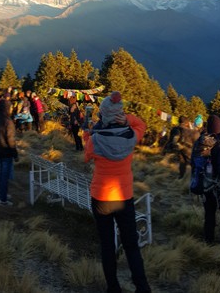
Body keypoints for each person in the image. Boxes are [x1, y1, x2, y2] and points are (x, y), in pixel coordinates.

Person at [83, 92, 152, 293]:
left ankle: (113, 288)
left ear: (103, 115)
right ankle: (142, 287)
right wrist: (127, 118)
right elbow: (142, 125)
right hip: (124, 197)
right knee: (131, 245)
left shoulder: (95, 139)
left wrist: (87, 135)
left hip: (101, 198)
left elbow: (86, 157)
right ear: (119, 115)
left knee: (107, 245)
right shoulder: (130, 135)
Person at [192, 117, 220, 245]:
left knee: (209, 214)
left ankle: (208, 240)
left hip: (205, 186)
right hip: (219, 188)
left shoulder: (200, 143)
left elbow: (193, 163)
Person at [0, 90, 18, 206]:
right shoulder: (8, 121)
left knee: (2, 172)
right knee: (5, 175)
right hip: (6, 150)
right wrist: (15, 154)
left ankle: (1, 193)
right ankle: (3, 199)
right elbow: (11, 140)